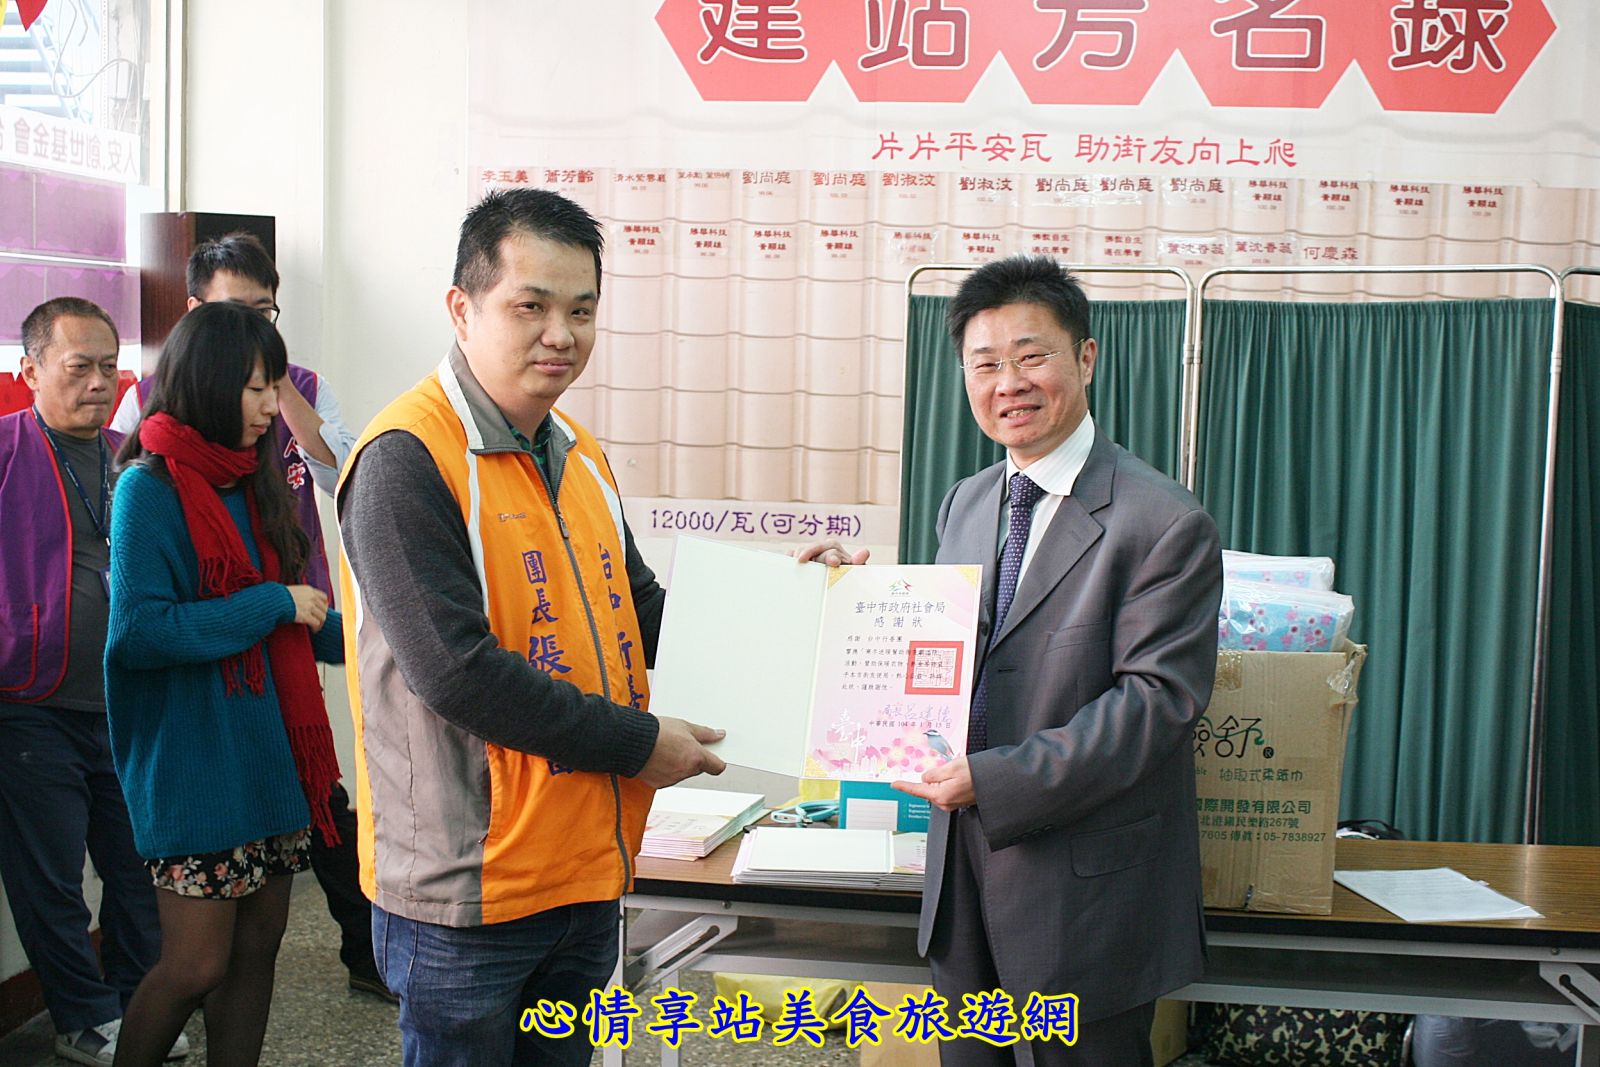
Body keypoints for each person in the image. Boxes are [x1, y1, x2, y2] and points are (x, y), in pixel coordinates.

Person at [337, 187, 727, 1066]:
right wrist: (638, 744)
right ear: (462, 308)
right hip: (468, 891)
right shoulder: (406, 457)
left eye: (582, 311)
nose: (562, 334)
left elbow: (643, 610)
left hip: (584, 867)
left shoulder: (578, 452)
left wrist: (793, 603)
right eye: (532, 306)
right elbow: (457, 671)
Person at [808, 256, 1222, 1066]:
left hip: (1086, 899)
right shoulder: (966, 501)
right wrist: (855, 598)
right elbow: (951, 651)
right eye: (986, 363)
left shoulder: (1163, 522)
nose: (1009, 383)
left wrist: (994, 781)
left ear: (1086, 357)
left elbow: (1156, 707)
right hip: (962, 882)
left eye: (1032, 356)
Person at [109, 232, 388, 1001]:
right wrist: (272, 604)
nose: (273, 405)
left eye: (275, 384)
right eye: (258, 388)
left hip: (269, 736)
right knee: (196, 963)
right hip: (194, 753)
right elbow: (142, 630)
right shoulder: (148, 484)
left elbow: (305, 611)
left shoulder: (256, 475)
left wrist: (384, 637)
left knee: (259, 947)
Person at [0, 298, 187, 1065]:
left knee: (140, 868)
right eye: (80, 366)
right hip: (31, 704)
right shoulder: (6, 450)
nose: (100, 383)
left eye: (110, 367)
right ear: (31, 369)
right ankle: (83, 1016)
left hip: (128, 704)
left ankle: (138, 1007)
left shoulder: (132, 457)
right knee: (49, 876)